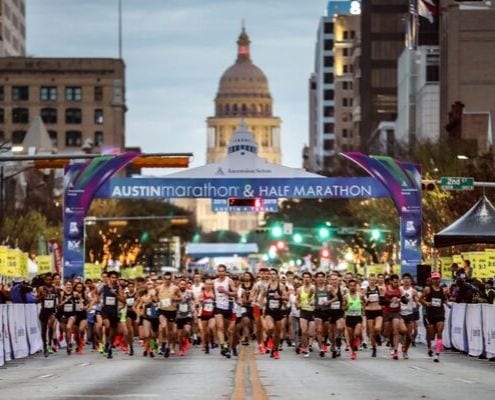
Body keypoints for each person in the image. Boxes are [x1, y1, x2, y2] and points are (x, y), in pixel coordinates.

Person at [421, 272, 448, 362]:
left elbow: (444, 299)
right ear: (432, 280)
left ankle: (437, 354)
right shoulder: (427, 289)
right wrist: (426, 303)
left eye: (438, 278)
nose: (436, 280)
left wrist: (447, 304)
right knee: (431, 335)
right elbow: (420, 299)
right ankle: (430, 347)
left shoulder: (443, 290)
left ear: (440, 279)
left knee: (439, 333)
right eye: (434, 278)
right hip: (430, 314)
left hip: (440, 313)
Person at [262, 268, 288, 360]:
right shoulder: (266, 286)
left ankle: (275, 350)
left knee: (277, 333)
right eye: (271, 274)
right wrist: (262, 304)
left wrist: (280, 297)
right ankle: (267, 339)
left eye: (274, 274)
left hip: (278, 311)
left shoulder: (281, 286)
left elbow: (286, 297)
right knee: (271, 328)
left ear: (277, 275)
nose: (272, 275)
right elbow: (262, 296)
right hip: (269, 311)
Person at [100, 271, 126, 359]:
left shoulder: (118, 288)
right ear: (108, 278)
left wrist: (115, 294)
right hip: (105, 310)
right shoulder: (103, 287)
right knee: (107, 326)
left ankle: (109, 345)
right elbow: (95, 294)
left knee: (114, 332)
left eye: (115, 278)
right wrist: (100, 301)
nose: (113, 279)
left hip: (114, 311)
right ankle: (107, 340)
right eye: (112, 277)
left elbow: (123, 300)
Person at [37, 273, 58, 357]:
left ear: (52, 280)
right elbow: (36, 300)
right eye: (47, 279)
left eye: (50, 279)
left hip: (52, 311)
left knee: (50, 326)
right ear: (44, 280)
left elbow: (57, 299)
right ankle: (45, 346)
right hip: (44, 311)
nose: (49, 281)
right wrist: (42, 296)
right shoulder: (41, 288)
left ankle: (49, 343)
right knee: (44, 330)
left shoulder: (55, 289)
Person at [343, 278, 364, 360]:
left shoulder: (360, 295)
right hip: (349, 317)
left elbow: (364, 303)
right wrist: (346, 306)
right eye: (350, 286)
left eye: (354, 285)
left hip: (358, 317)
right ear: (348, 286)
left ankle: (358, 339)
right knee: (351, 338)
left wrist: (363, 309)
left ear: (356, 286)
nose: (352, 287)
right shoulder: (345, 297)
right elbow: (343, 307)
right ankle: (353, 352)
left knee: (357, 333)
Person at [364, 273, 384, 358]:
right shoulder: (365, 289)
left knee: (377, 328)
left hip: (378, 310)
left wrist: (381, 299)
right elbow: (363, 302)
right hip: (369, 311)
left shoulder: (379, 288)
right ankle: (374, 348)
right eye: (370, 280)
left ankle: (379, 335)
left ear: (376, 281)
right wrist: (367, 299)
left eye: (373, 280)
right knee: (371, 332)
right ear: (368, 281)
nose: (372, 281)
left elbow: (383, 300)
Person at [296, 271, 315, 357]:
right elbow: (297, 299)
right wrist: (298, 304)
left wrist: (315, 303)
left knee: (310, 333)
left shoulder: (314, 288)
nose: (306, 279)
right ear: (302, 279)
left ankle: (310, 344)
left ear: (311, 278)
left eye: (308, 277)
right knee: (304, 332)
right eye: (305, 277)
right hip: (303, 311)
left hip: (313, 312)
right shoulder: (300, 289)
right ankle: (306, 348)